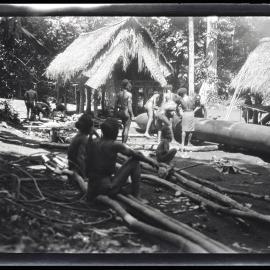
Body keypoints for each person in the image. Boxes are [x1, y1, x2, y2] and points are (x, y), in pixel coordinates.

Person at [85, 117, 158, 201]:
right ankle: (137, 196)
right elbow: (135, 154)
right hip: (106, 189)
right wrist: (150, 161)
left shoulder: (94, 142)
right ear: (114, 132)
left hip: (92, 188)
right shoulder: (113, 145)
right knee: (134, 161)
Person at [68, 113, 99, 178]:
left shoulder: (80, 135)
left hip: (72, 164)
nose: (93, 128)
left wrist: (94, 134)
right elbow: (80, 159)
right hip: (76, 168)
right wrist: (84, 175)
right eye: (92, 126)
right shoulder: (83, 139)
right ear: (89, 127)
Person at [114, 79, 134, 143]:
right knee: (126, 128)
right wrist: (132, 115)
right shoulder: (129, 94)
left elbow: (116, 105)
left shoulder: (118, 94)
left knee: (124, 128)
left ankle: (122, 142)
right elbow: (129, 107)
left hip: (120, 112)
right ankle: (124, 144)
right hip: (126, 113)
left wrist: (115, 113)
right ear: (127, 86)